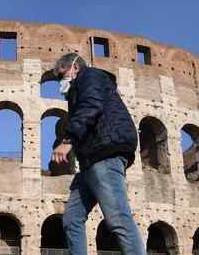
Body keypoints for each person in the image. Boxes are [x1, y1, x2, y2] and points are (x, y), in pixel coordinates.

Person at [52, 53, 146, 254]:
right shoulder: (76, 90)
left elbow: (91, 106)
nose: (60, 81)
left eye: (61, 75)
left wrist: (68, 140)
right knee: (72, 219)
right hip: (89, 161)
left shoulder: (90, 76)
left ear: (75, 67)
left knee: (118, 218)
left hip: (105, 154)